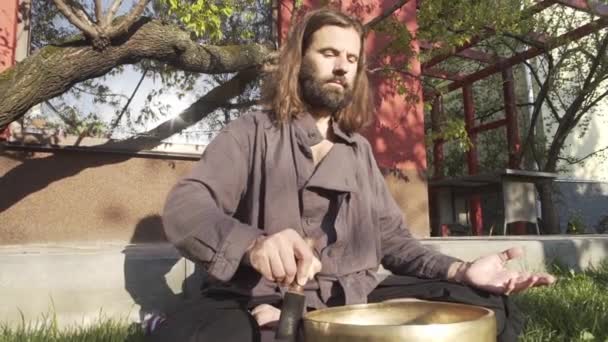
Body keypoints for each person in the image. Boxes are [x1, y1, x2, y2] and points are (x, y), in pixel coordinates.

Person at [153, 8, 555, 342]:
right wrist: (254, 245)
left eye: (351, 59)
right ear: (299, 59)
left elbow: (394, 241)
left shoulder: (359, 151)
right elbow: (185, 208)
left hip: (352, 302)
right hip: (256, 298)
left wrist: (461, 270)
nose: (342, 67)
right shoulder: (251, 132)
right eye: (329, 53)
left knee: (486, 306)